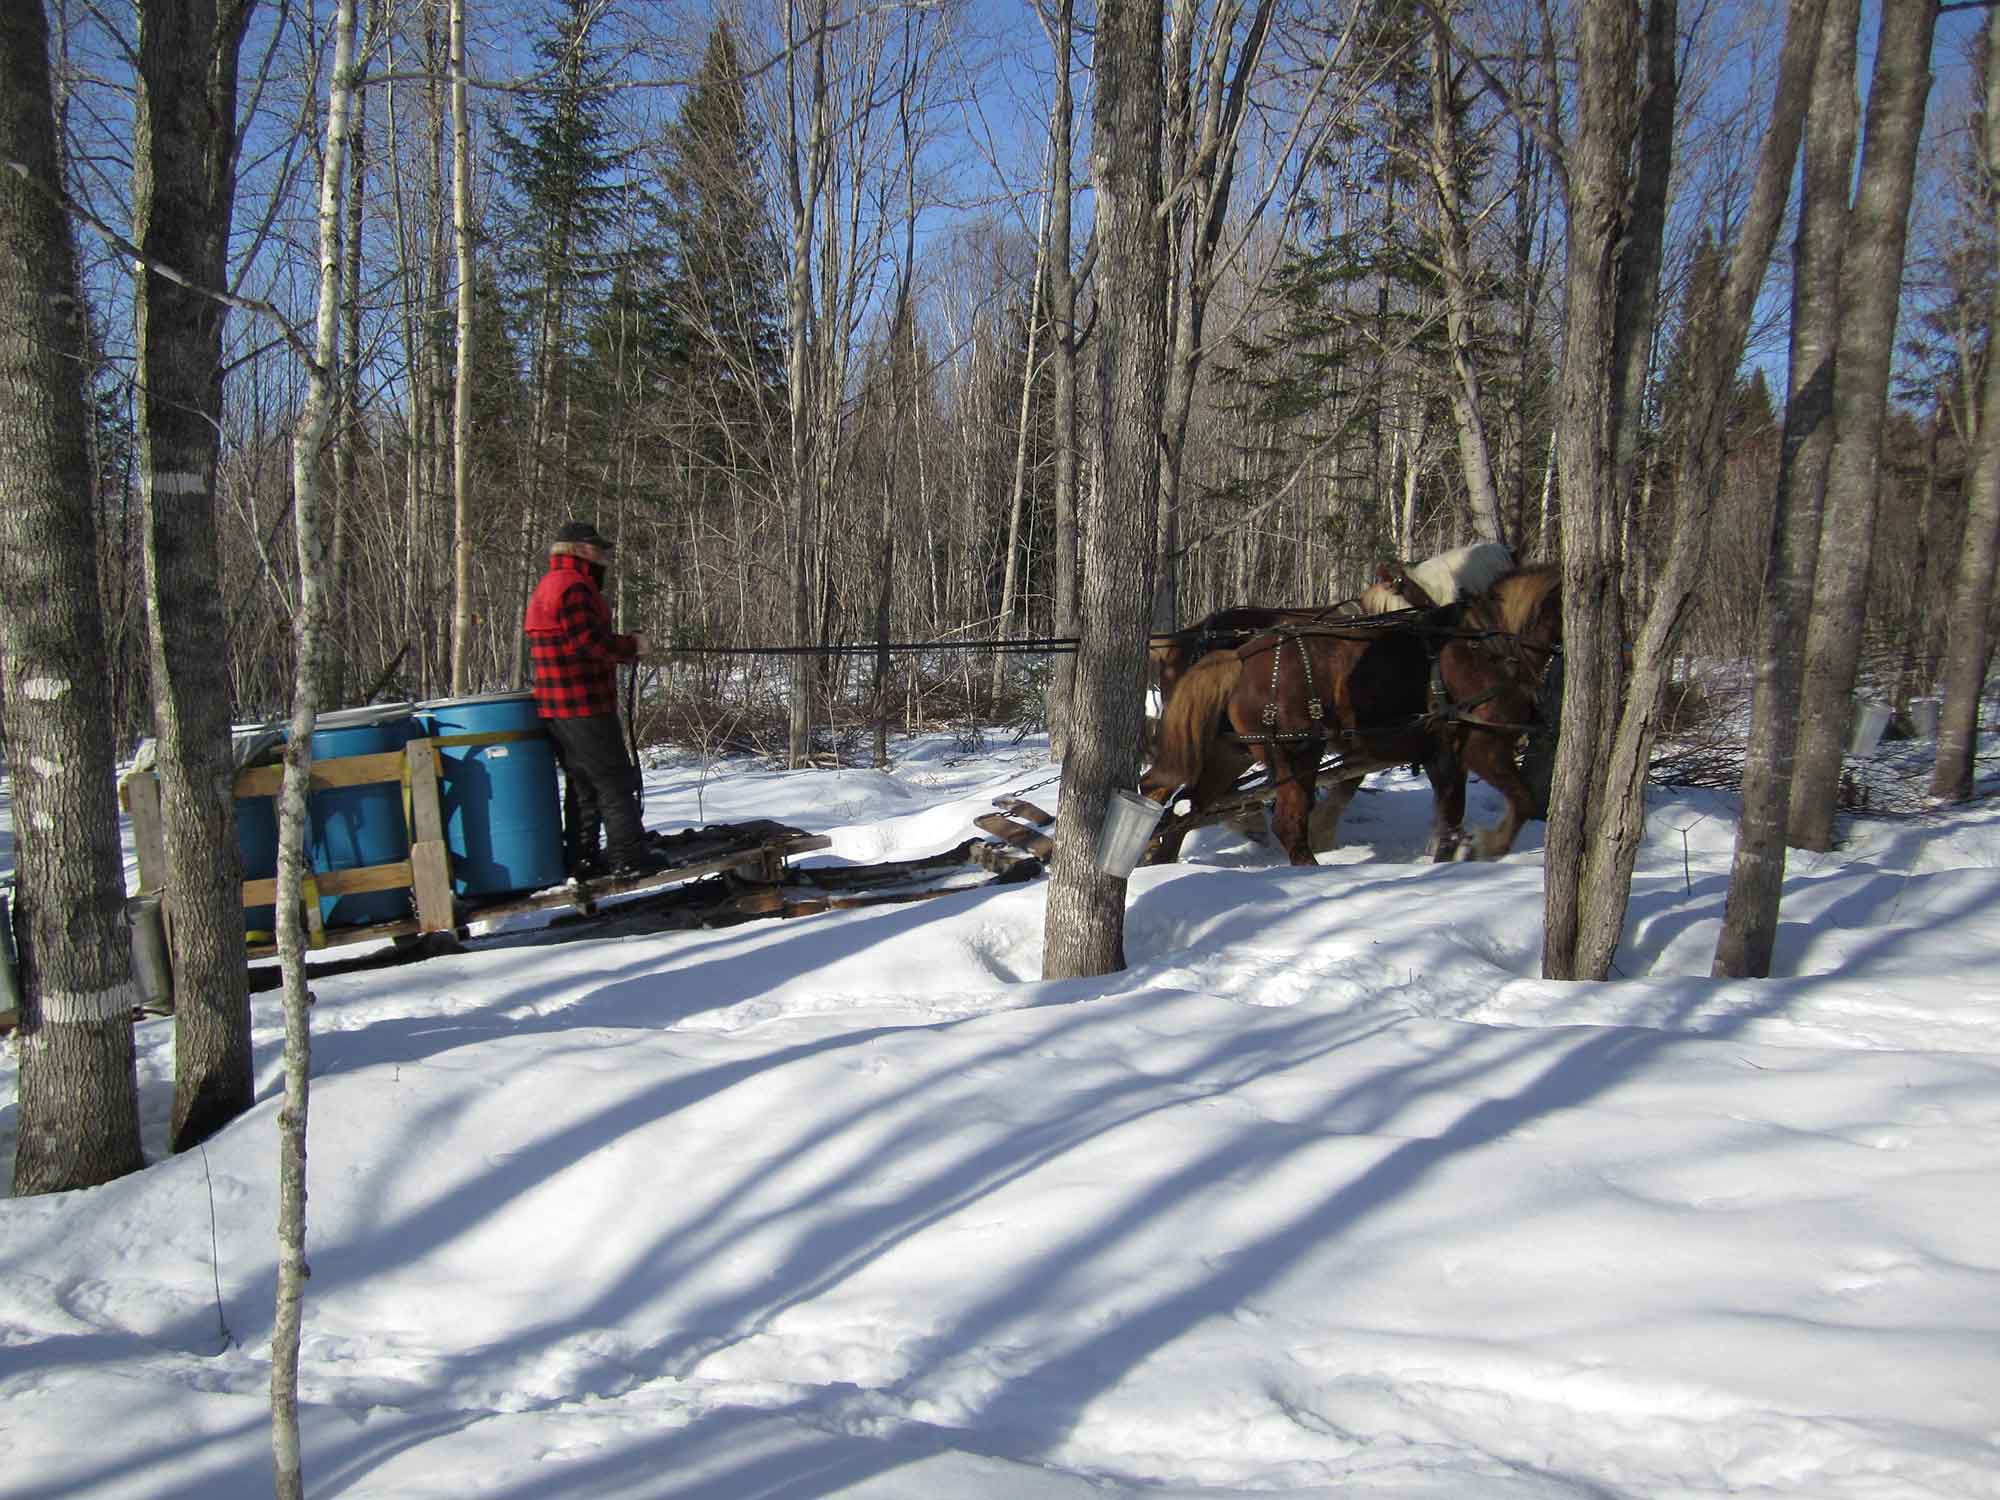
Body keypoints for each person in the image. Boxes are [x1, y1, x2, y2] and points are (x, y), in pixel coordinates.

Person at [524, 520, 668, 879]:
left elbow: (577, 639)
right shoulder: (573, 587)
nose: (604, 556)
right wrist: (631, 646)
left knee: (584, 784)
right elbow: (588, 643)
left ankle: (583, 856)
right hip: (582, 704)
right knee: (614, 780)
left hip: (558, 707)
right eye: (598, 548)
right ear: (577, 550)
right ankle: (627, 855)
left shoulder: (551, 585)